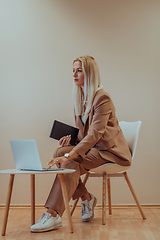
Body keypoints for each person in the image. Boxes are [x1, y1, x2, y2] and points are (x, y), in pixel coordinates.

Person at [30, 55, 132, 233]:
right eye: (73, 70)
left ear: (90, 73)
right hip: (95, 148)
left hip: (109, 152)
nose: (74, 74)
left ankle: (53, 214)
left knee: (68, 161)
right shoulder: (81, 97)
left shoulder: (102, 98)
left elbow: (95, 134)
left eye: (79, 70)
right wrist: (70, 142)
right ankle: (86, 198)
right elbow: (85, 134)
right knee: (59, 151)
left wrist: (70, 155)